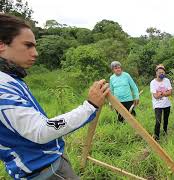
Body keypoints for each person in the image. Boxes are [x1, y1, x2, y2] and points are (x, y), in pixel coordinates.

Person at [0, 14, 109, 179]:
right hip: (44, 172)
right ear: (1, 45)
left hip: (47, 164)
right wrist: (90, 106)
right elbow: (41, 130)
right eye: (28, 45)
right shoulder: (2, 88)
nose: (35, 53)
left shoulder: (11, 79)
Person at [150, 64, 172, 140]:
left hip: (167, 104)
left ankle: (165, 131)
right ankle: (156, 136)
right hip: (157, 105)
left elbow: (170, 93)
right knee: (158, 121)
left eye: (163, 72)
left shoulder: (167, 80)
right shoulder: (153, 82)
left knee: (166, 120)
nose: (161, 74)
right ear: (156, 73)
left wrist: (161, 93)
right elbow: (155, 96)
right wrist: (165, 93)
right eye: (159, 72)